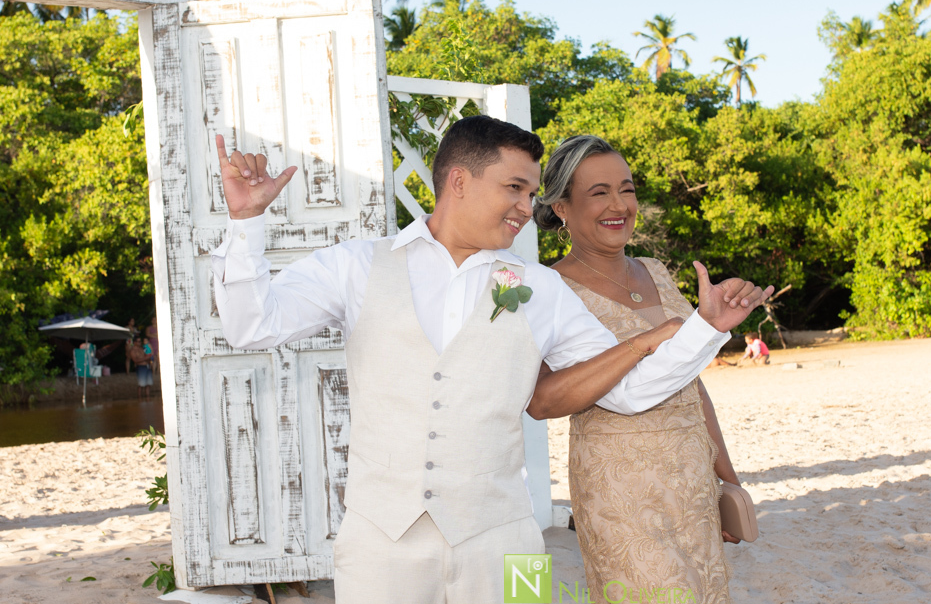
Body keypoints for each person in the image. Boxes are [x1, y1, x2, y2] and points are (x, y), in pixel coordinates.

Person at [209, 116, 772, 604]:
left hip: (510, 541)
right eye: (516, 189)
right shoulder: (357, 266)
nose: (529, 209)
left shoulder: (539, 289)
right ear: (459, 180)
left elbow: (626, 392)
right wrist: (246, 224)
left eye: (532, 194)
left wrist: (703, 330)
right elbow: (249, 326)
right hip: (378, 543)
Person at [533, 135, 749, 604]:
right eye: (599, 192)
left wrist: (726, 478)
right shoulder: (548, 288)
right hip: (622, 492)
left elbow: (691, 381)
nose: (619, 204)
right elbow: (543, 399)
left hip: (691, 480)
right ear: (561, 208)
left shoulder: (655, 270)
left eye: (626, 189)